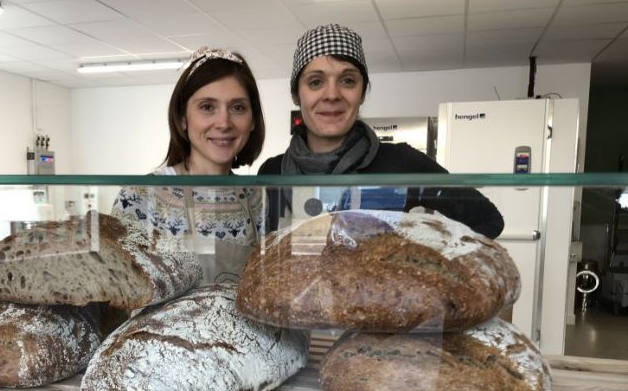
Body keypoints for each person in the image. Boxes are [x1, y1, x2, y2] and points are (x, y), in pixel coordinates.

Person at [259, 23, 504, 239]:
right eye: (315, 82)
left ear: (363, 92)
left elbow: (487, 220)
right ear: (295, 94)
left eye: (347, 81)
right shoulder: (273, 172)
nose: (332, 95)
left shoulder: (401, 163)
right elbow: (269, 258)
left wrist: (424, 268)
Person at [112, 47, 266, 283]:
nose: (223, 122)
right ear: (183, 118)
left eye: (238, 107)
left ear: (252, 120)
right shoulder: (140, 196)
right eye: (207, 107)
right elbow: (120, 289)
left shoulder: (259, 199)